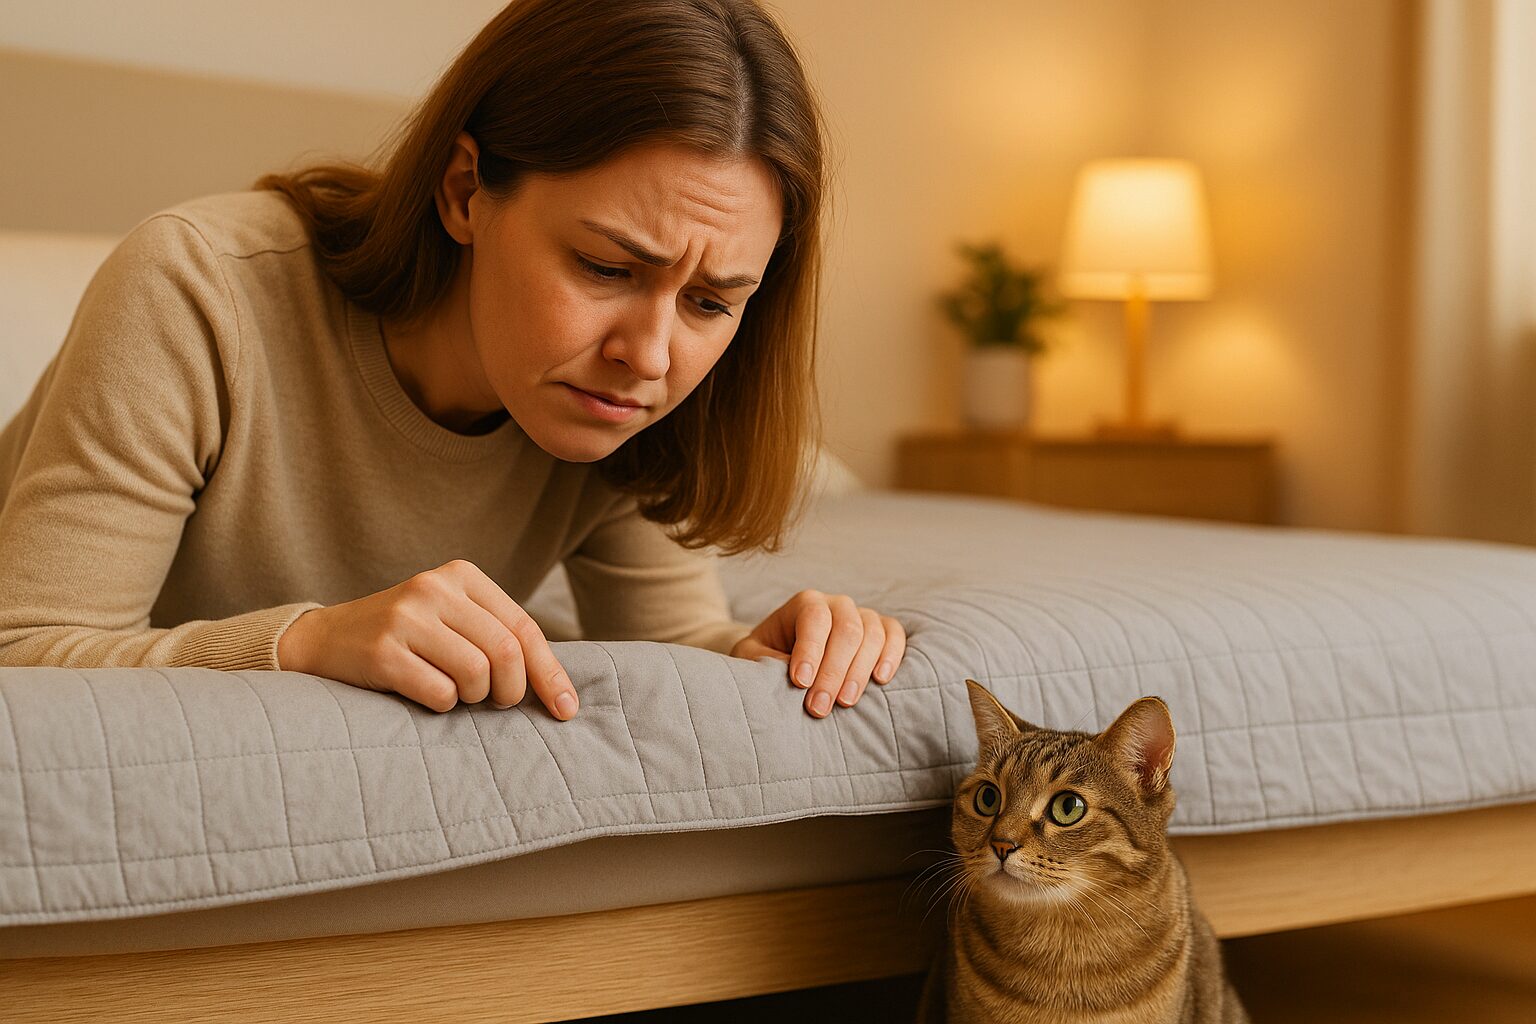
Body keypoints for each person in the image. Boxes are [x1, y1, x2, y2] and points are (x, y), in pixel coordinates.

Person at [0, 0, 907, 721]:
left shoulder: (619, 399)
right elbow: (29, 652)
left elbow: (667, 637)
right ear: (466, 190)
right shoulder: (199, 286)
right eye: (604, 267)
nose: (649, 355)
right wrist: (307, 642)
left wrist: (765, 651)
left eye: (711, 302)